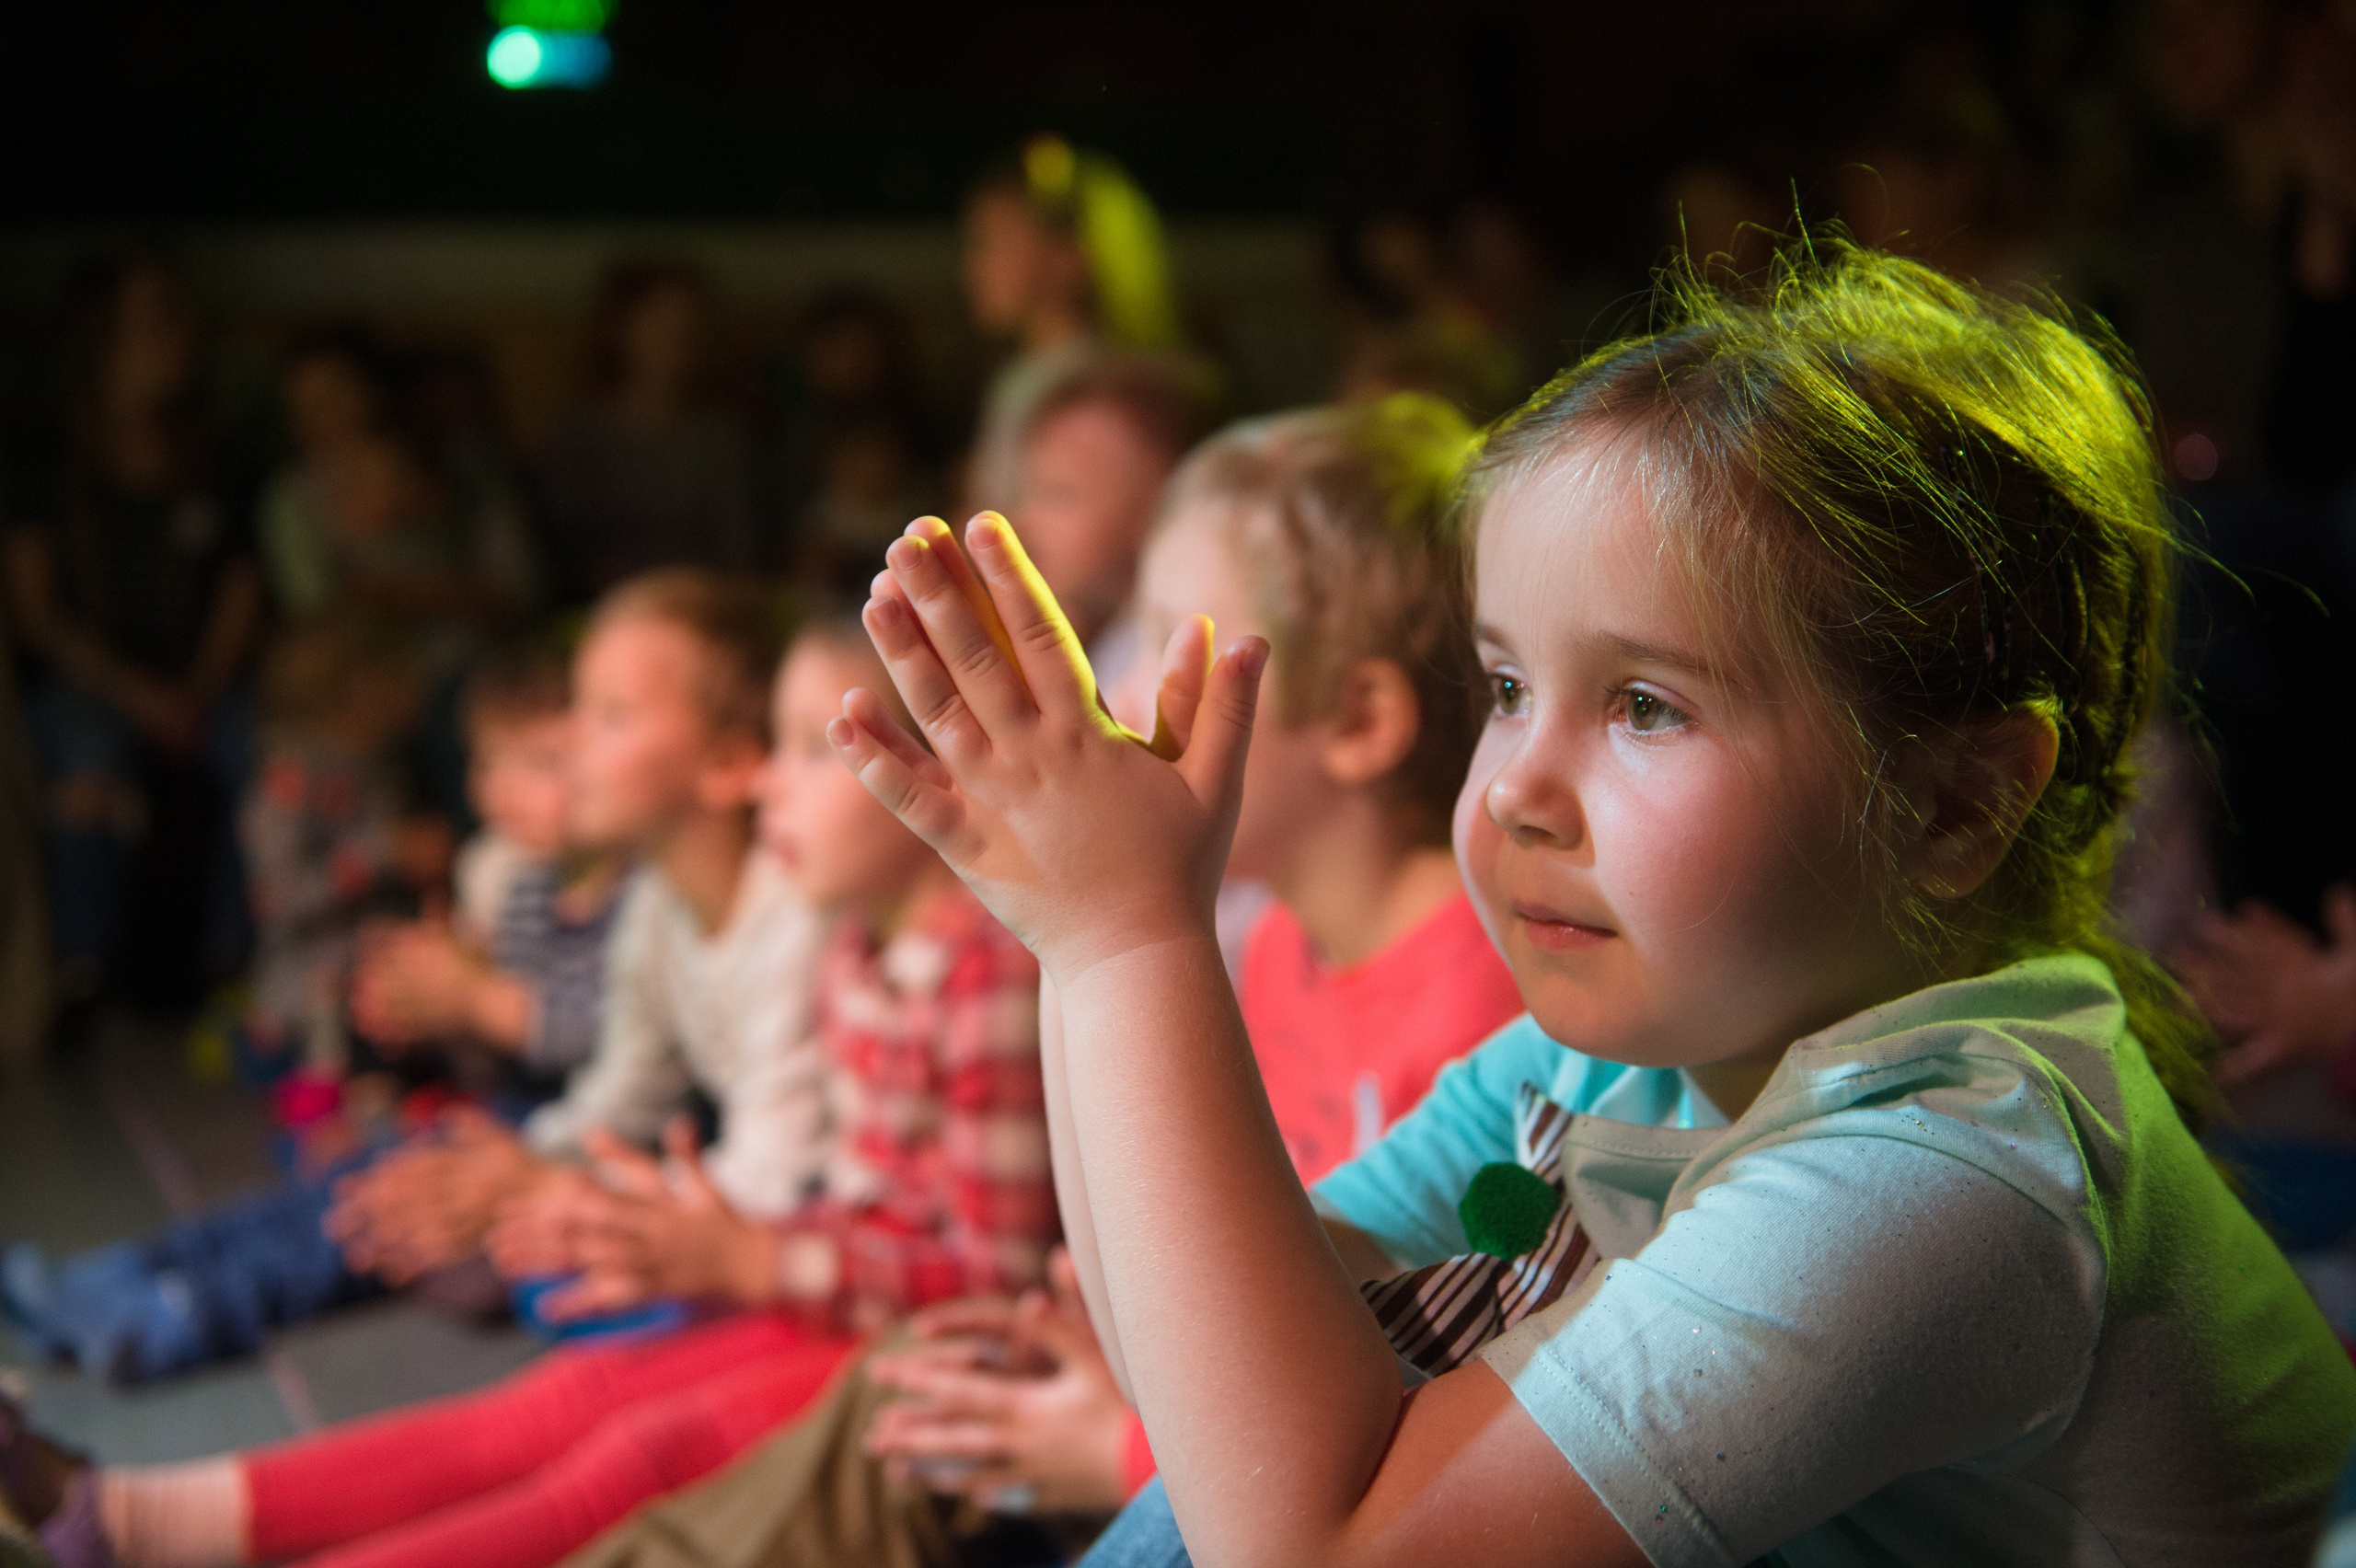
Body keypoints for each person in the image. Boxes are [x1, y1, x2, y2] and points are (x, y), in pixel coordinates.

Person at [833, 244, 2356, 1566]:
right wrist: (1071, 926)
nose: (1511, 786)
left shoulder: (1959, 1170)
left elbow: (1313, 1543)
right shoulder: (1622, 1053)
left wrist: (1126, 940)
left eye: (1643, 702)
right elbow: (1213, 1380)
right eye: (1505, 683)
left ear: (1959, 802)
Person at [548, 396, 1527, 1566]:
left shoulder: (1489, 1003)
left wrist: (1122, 1444)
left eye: (1170, 645)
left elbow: (1437, 1419)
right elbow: (1173, 1297)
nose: (1114, 706)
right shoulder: (1274, 949)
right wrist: (1071, 925)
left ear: (1358, 719)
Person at [0, 616, 1054, 1568]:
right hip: (828, 1290)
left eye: (806, 754)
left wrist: (735, 1253)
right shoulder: (860, 947)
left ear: (940, 776)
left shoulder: (978, 969)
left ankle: (147, 1379)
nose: (775, 784)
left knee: (631, 1456)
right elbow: (710, 1129)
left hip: (908, 1337)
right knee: (561, 1399)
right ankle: (132, 1516)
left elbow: (986, 1280)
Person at [0, 641, 621, 1383]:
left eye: (547, 764)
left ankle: (181, 1311)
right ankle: (121, 1271)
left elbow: (598, 1048)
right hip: (511, 1109)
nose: (504, 793)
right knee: (334, 1187)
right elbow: (507, 1050)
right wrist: (438, 1014)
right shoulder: (525, 887)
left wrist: (472, 1003)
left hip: (560, 1130)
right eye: (493, 766)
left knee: (369, 1210)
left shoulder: (627, 904)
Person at [326, 568, 823, 1293]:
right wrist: (527, 1164)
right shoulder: (659, 902)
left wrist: (550, 1194)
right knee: (422, 1214)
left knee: (503, 1268)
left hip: (795, 1235)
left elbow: (772, 1180)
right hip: (730, 1197)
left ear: (726, 763)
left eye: (609, 714)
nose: (566, 737)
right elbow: (626, 1092)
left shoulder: (794, 922)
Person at [2, 254, 264, 1014]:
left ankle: (236, 966)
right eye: (157, 318)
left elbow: (240, 589)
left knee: (263, 754)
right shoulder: (46, 459)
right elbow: (37, 612)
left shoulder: (213, 455)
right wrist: (141, 697)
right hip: (92, 679)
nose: (181, 336)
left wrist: (197, 691)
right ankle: (85, 972)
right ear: (102, 336)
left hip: (201, 679)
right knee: (87, 756)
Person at [962, 135, 1181, 515]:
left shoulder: (1087, 393)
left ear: (1070, 256)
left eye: (995, 243)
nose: (974, 267)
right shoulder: (1024, 376)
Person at [539, 265, 754, 603]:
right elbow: (564, 549)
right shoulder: (581, 437)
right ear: (620, 329)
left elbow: (738, 549)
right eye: (661, 323)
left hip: (702, 605)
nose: (678, 339)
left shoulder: (718, 438)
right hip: (603, 609)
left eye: (689, 326)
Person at [1008, 354, 1215, 678]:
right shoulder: (1112, 643)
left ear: (1161, 504)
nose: (1022, 523)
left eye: (1059, 494)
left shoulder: (1164, 665)